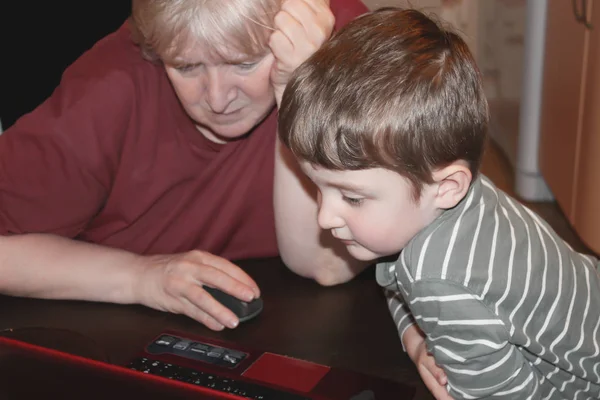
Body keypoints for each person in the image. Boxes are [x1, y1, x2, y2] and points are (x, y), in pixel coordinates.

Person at [278, 7, 600, 400]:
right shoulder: (453, 201)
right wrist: (417, 338)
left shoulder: (440, 278)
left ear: (447, 186)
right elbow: (399, 279)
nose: (324, 216)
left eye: (351, 197)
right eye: (317, 186)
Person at [0, 0, 369, 331]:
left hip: (300, 322)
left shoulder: (343, 47)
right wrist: (140, 277)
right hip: (106, 325)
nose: (217, 99)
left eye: (244, 63)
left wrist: (299, 88)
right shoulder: (108, 90)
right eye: (186, 66)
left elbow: (324, 265)